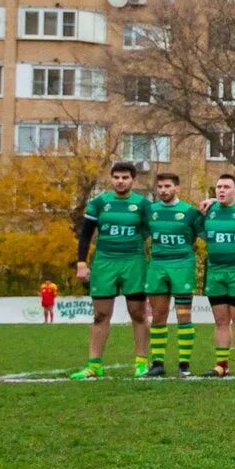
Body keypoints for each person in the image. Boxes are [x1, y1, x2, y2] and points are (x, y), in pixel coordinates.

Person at [68, 162, 151, 380]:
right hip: (104, 263)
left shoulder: (142, 205)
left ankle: (141, 363)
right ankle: (94, 365)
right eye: (116, 177)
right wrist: (81, 263)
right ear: (111, 179)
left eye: (125, 177)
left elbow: (151, 230)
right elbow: (85, 235)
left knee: (138, 313)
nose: (120, 181)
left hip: (133, 262)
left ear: (133, 180)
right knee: (100, 314)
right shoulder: (99, 203)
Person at [197, 174, 235, 377]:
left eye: (226, 187)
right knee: (220, 321)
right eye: (218, 187)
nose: (221, 190)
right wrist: (212, 202)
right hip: (215, 272)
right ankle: (221, 365)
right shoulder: (209, 211)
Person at [143, 173, 204, 378]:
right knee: (158, 315)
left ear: (177, 188)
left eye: (167, 186)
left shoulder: (189, 212)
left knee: (183, 315)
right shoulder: (150, 211)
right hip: (158, 265)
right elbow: (139, 234)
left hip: (182, 265)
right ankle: (157, 363)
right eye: (159, 186)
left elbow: (206, 234)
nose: (163, 190)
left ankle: (184, 364)